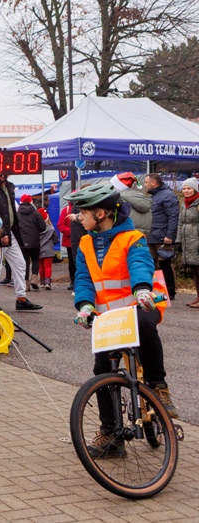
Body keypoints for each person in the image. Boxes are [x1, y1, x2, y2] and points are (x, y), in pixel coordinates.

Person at [67, 182, 178, 456]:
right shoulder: (85, 242)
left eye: (83, 212)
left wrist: (141, 289)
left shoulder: (132, 238)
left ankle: (158, 386)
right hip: (110, 315)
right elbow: (83, 278)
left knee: (143, 323)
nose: (79, 217)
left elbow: (140, 262)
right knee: (102, 371)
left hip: (142, 302)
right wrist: (85, 306)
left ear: (100, 214)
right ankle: (112, 436)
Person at [0, 173, 41, 310]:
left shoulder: (8, 187)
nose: (1, 175)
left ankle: (21, 298)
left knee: (20, 264)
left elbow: (10, 211)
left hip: (10, 232)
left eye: (4, 172)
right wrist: (2, 231)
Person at [144, 173, 178, 300]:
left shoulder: (168, 195)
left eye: (146, 182)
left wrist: (170, 235)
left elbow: (173, 216)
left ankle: (170, 292)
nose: (145, 185)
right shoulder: (153, 196)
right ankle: (157, 290)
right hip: (151, 235)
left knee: (164, 264)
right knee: (151, 264)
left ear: (153, 183)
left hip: (163, 236)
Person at [175, 177, 199, 308]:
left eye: (189, 188)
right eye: (184, 188)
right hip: (188, 241)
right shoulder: (184, 204)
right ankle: (198, 297)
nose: (186, 191)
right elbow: (180, 223)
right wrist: (178, 241)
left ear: (195, 189)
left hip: (196, 240)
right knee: (194, 270)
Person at [16, 194, 46, 291]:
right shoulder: (36, 213)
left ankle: (26, 283)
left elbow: (14, 227)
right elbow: (43, 227)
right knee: (35, 260)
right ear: (31, 202)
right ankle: (34, 279)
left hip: (22, 241)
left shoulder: (17, 214)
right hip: (34, 240)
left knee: (25, 261)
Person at [37, 208, 56, 290]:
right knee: (48, 266)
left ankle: (42, 281)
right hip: (49, 249)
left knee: (41, 266)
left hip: (39, 249)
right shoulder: (51, 229)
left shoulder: (36, 229)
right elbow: (55, 239)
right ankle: (48, 281)